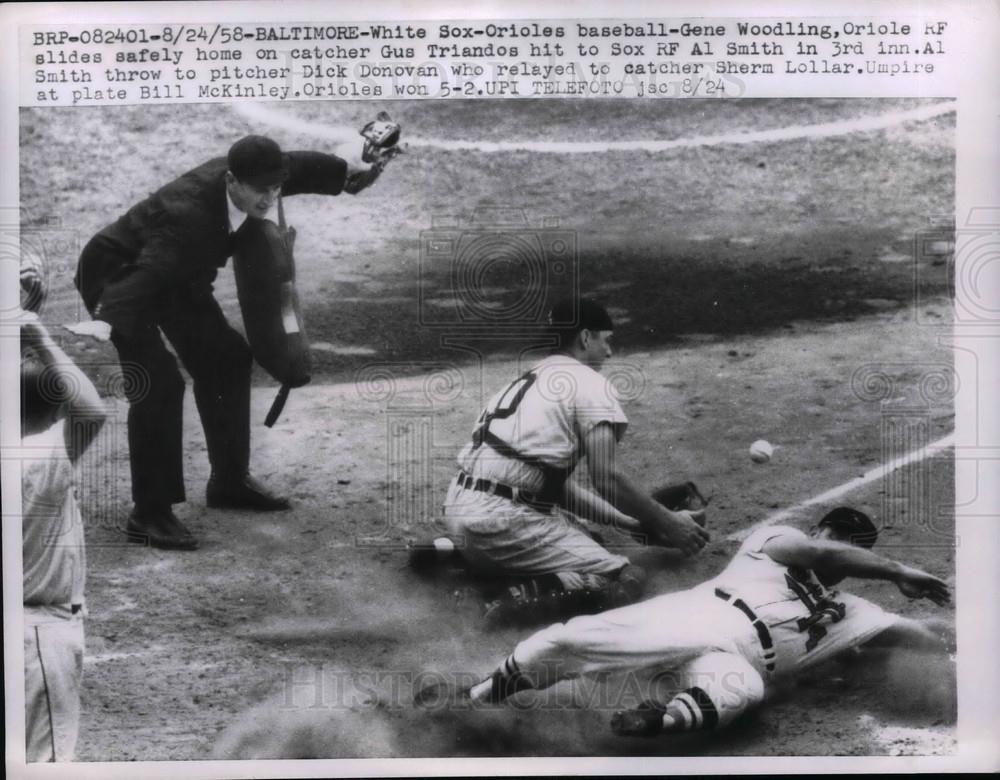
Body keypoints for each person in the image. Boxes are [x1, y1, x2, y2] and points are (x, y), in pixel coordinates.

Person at [73, 133, 388, 550]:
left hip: (179, 276)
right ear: (232, 181)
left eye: (276, 187)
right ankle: (150, 513)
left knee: (227, 358)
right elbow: (148, 275)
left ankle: (228, 481)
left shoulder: (259, 177)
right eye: (262, 190)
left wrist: (347, 172)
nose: (270, 198)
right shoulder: (187, 217)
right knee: (161, 384)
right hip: (120, 278)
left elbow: (296, 165)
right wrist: (105, 320)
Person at [415, 507, 953, 738]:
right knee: (573, 638)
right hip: (702, 613)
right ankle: (477, 696)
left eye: (854, 548)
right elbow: (820, 552)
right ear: (820, 532)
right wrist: (899, 569)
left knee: (740, 692)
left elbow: (917, 636)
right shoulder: (776, 544)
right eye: (837, 537)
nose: (840, 549)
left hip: (736, 658)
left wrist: (958, 639)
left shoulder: (855, 613)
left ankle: (657, 721)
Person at [435, 297, 710, 624]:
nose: (609, 352)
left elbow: (555, 489)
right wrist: (669, 521)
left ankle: (455, 558)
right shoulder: (590, 383)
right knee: (621, 577)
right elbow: (607, 479)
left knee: (584, 535)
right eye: (606, 340)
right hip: (499, 525)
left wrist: (631, 524)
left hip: (460, 512)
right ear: (584, 338)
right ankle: (501, 598)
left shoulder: (529, 379)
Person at [20, 317, 108, 761]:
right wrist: (36, 334)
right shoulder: (38, 458)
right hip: (38, 638)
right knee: (46, 765)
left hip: (23, 627)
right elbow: (92, 410)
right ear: (55, 413)